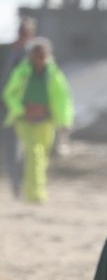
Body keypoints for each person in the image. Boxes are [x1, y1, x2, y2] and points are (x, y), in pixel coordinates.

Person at [3, 37, 73, 203]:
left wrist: (64, 121)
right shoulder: (22, 72)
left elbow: (63, 98)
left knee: (42, 156)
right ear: (31, 56)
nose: (40, 60)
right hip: (24, 121)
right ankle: (33, 194)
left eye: (43, 56)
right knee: (33, 152)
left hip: (46, 121)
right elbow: (9, 94)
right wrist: (23, 109)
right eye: (37, 56)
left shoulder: (54, 74)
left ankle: (35, 190)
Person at [2, 15, 37, 196]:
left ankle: (21, 186)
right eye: (21, 32)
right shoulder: (6, 51)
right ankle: (17, 185)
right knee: (10, 149)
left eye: (26, 33)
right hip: (5, 108)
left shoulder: (33, 56)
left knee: (21, 149)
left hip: (24, 110)